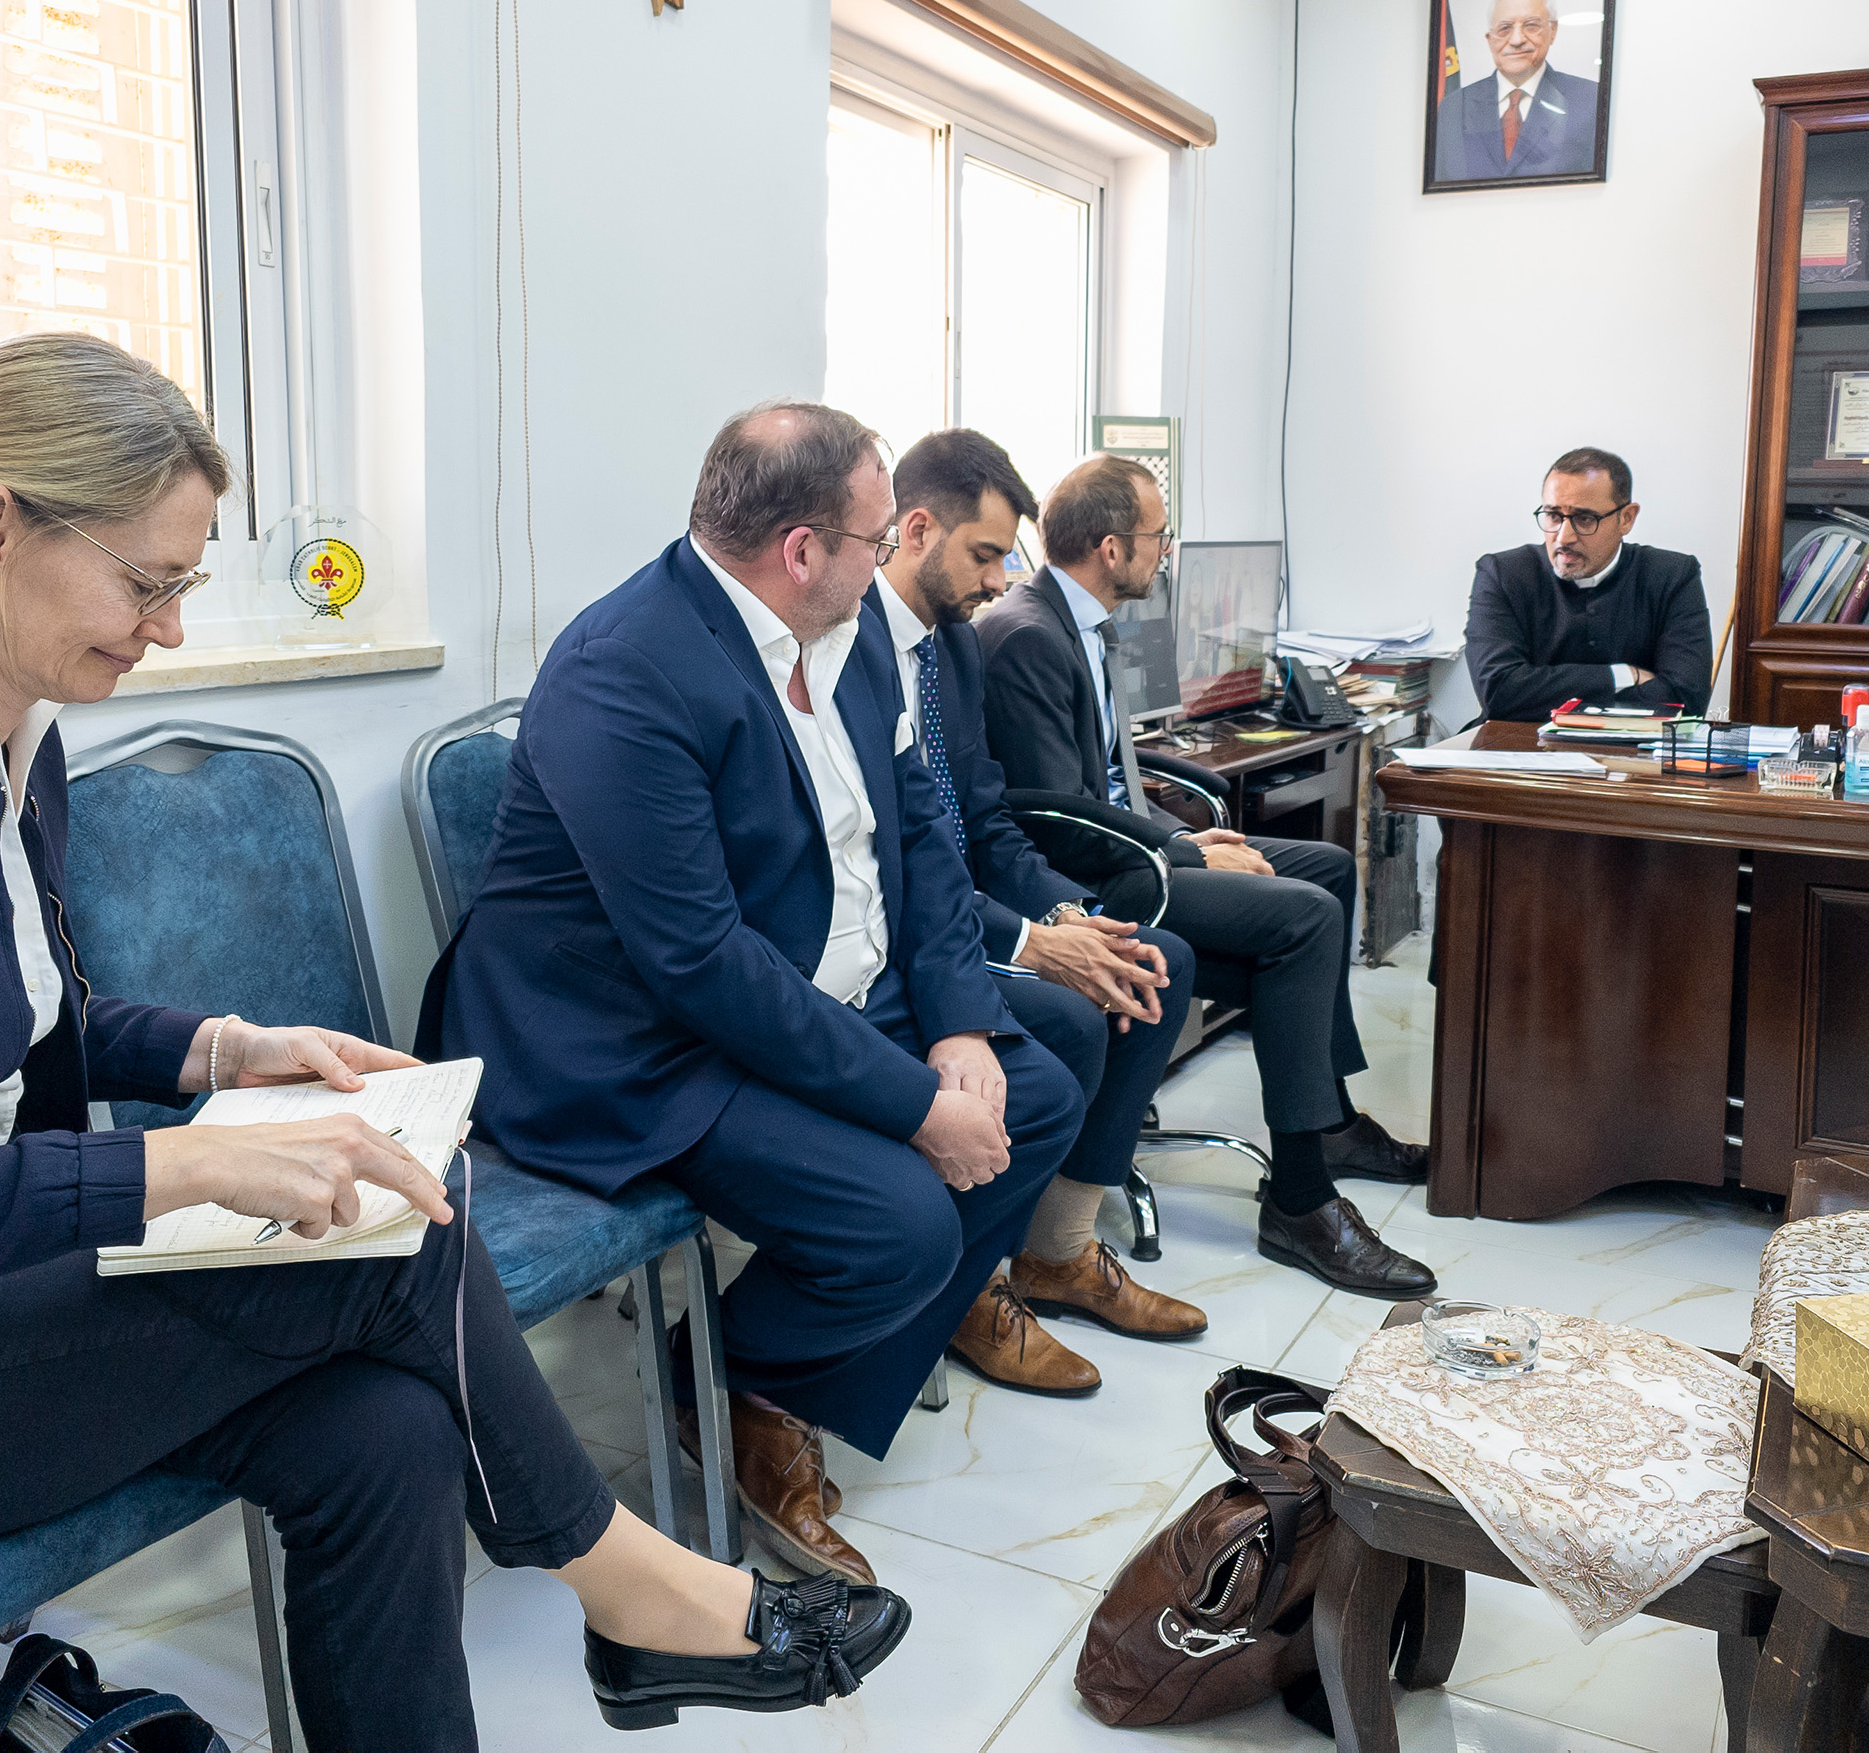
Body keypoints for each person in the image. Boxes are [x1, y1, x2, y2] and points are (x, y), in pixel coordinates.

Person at [0, 335, 905, 1753]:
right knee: (390, 1238)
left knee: (380, 1437)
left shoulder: (10, 736)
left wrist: (222, 1051)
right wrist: (179, 1181)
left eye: (183, 587)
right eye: (147, 583)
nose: (169, 633)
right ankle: (642, 1600)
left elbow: (7, 1035)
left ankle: (624, 1620)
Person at [420, 400, 1083, 1590]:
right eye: (877, 540)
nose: (889, 559)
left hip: (804, 980)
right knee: (900, 1218)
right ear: (800, 549)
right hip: (623, 1038)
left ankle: (768, 1389)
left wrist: (961, 1027)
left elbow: (918, 828)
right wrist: (914, 1101)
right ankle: (721, 1385)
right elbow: (697, 964)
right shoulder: (622, 670)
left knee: (1034, 1087)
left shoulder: (855, 626)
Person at [977, 453, 1436, 1301]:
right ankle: (1300, 1201)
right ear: (1111, 547)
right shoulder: (1027, 638)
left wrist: (1184, 835)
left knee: (1326, 869)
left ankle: (1323, 1120)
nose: (1166, 554)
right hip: (1091, 888)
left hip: (1134, 849)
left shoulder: (1079, 624)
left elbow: (1105, 781)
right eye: (1159, 537)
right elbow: (1054, 822)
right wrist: (1185, 851)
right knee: (1300, 922)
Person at [868, 429, 1208, 1389]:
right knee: (1065, 1017)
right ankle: (976, 1284)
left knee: (1147, 960)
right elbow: (892, 861)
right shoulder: (851, 650)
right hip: (906, 930)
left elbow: (983, 818)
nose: (998, 579)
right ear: (912, 529)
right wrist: (1024, 939)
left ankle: (1057, 1252)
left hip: (961, 902)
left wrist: (1063, 917)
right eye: (985, 555)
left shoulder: (955, 651)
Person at [1465, 446, 1712, 723]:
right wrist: (1622, 675)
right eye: (1554, 516)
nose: (1563, 537)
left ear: (1626, 518)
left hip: (1632, 758)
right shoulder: (1502, 573)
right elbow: (1498, 693)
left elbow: (1686, 699)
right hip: (1512, 753)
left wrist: (1536, 693)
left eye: (1584, 519)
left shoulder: (1672, 576)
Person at [1432, 0, 1602, 182]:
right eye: (1504, 28)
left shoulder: (1592, 100)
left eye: (1531, 26)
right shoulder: (1453, 108)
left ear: (1553, 31)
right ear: (1489, 39)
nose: (1516, 40)